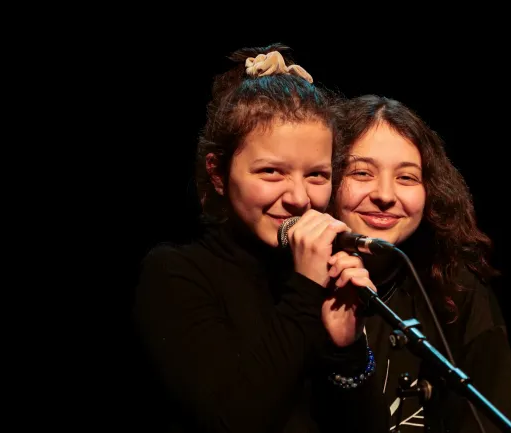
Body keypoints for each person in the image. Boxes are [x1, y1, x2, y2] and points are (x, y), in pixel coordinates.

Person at [132, 44, 389, 433]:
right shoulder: (176, 273)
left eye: (317, 175)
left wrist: (348, 351)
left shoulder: (326, 276)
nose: (300, 198)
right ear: (218, 174)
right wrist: (303, 290)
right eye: (271, 172)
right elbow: (232, 419)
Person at [330, 95, 511, 433]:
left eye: (406, 178)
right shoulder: (292, 283)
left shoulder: (457, 289)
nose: (385, 195)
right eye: (362, 172)